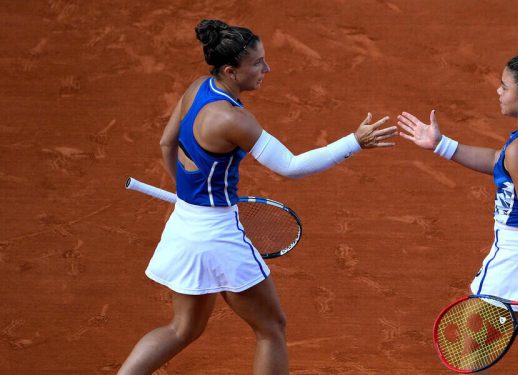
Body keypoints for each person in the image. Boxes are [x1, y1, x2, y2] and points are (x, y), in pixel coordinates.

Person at [118, 19, 396, 375]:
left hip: (184, 225)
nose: (267, 69)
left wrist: (187, 194)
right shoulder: (235, 120)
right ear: (232, 71)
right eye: (258, 63)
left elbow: (166, 143)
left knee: (182, 328)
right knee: (271, 329)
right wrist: (354, 142)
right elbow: (291, 166)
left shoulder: (196, 88)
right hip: (217, 235)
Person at [398, 41, 518, 374]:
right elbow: (501, 161)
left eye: (505, 86)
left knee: (469, 358)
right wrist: (441, 145)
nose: (498, 90)